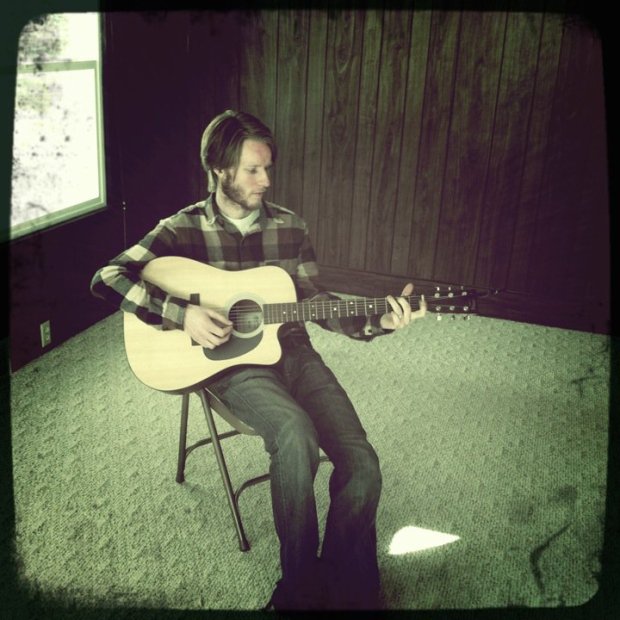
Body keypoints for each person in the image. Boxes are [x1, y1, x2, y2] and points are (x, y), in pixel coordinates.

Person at [90, 109, 427, 611]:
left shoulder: (290, 227)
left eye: (267, 168)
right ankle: (298, 591)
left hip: (293, 351)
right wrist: (183, 314)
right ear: (219, 169)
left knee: (363, 463)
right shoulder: (180, 229)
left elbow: (313, 300)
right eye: (252, 170)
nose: (265, 180)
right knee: (295, 434)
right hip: (229, 365)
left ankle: (346, 584)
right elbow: (108, 277)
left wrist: (377, 320)